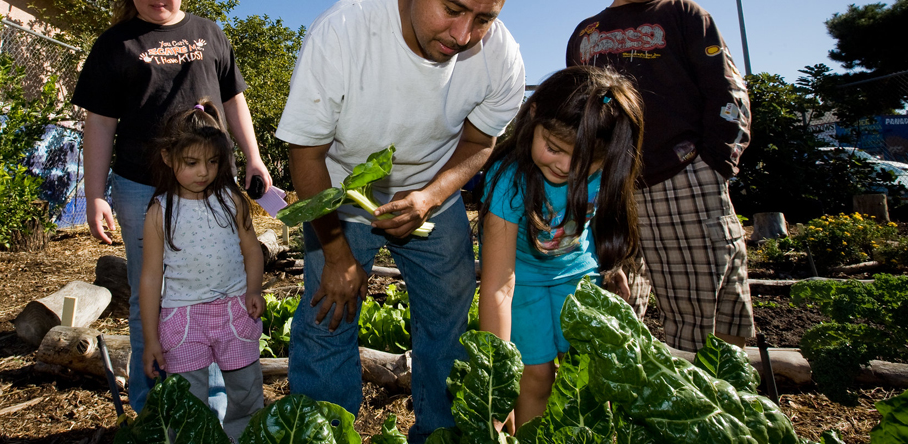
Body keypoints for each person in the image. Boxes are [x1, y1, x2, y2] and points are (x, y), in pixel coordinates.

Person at [274, 0, 525, 441]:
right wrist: (336, 256)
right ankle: (324, 434)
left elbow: (480, 141)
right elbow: (306, 153)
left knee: (447, 328)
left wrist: (430, 196)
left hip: (435, 202)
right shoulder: (343, 30)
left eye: (484, 19)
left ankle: (440, 435)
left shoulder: (501, 56)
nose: (463, 34)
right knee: (326, 321)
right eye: (453, 8)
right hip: (341, 202)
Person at [70, 0, 272, 413]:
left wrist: (253, 156)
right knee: (155, 301)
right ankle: (156, 415)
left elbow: (233, 100)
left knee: (218, 295)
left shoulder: (210, 32)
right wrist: (95, 193)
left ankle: (210, 414)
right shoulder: (114, 44)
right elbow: (100, 123)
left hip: (213, 187)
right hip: (141, 190)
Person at [566, 0, 755, 352]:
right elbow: (579, 113)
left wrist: (714, 162)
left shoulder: (683, 14)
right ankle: (622, 403)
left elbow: (727, 89)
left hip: (681, 177)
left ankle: (717, 400)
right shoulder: (585, 31)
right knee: (612, 314)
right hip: (610, 186)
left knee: (704, 321)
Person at [478, 65, 644, 425]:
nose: (567, 167)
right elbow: (498, 287)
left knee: (586, 375)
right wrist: (497, 381)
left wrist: (610, 267)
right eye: (554, 148)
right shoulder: (509, 179)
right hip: (523, 282)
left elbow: (609, 223)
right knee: (534, 376)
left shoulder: (606, 172)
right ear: (533, 116)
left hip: (579, 277)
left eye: (585, 162)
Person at [137, 100, 265, 441]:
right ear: (168, 158)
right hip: (183, 320)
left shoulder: (231, 200)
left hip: (235, 313)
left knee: (247, 395)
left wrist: (254, 289)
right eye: (191, 163)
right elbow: (150, 278)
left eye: (212, 161)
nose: (204, 172)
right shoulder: (159, 212)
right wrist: (151, 338)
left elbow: (252, 250)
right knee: (188, 406)